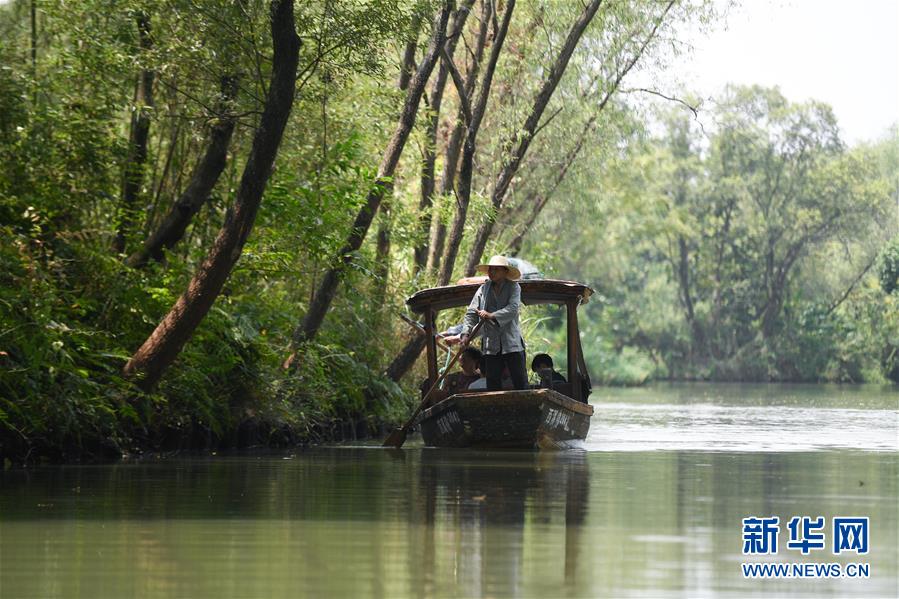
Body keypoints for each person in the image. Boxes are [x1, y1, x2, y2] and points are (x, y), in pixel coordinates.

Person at [460, 255, 528, 391]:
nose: (492, 273)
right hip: (492, 344)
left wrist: (492, 315)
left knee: (520, 380)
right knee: (492, 383)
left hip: (511, 343)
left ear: (505, 272)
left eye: (496, 270)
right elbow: (471, 313)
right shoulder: (483, 289)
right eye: (491, 270)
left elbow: (513, 309)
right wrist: (465, 333)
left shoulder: (514, 287)